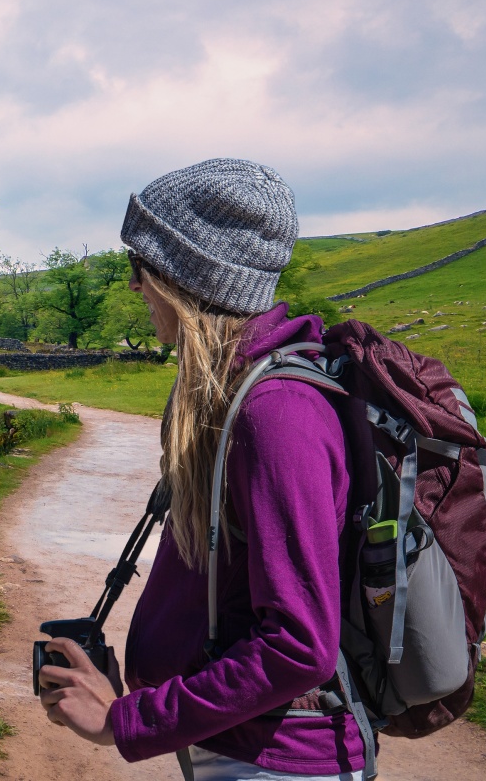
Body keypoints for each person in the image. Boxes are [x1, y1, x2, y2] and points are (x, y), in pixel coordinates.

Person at [37, 158, 369, 780]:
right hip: (236, 752)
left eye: (140, 267)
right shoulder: (229, 398)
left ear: (184, 276)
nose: (134, 287)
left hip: (278, 764)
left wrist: (125, 722)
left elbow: (300, 646)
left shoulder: (276, 415)